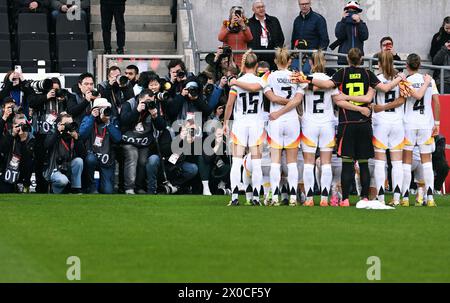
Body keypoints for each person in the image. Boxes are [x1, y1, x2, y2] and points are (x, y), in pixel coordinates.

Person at [297, 48, 406, 206]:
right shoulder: (368, 74)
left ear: (348, 59)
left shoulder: (342, 73)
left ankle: (346, 199)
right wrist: (400, 77)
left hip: (346, 123)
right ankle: (366, 198)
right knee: (363, 163)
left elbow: (327, 85)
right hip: (364, 123)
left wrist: (307, 78)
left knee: (347, 163)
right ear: (361, 59)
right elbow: (385, 88)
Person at [223, 49, 268, 206]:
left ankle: (235, 196)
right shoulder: (261, 81)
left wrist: (224, 123)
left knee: (236, 161)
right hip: (256, 123)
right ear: (256, 65)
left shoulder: (237, 83)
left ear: (244, 64)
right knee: (256, 162)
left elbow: (229, 105)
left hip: (240, 124)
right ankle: (256, 197)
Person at [263, 47, 303, 206]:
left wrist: (280, 110)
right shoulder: (297, 76)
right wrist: (292, 103)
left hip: (276, 120)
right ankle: (293, 197)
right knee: (292, 162)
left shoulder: (269, 76)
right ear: (290, 61)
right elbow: (298, 100)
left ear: (275, 61)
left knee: (275, 161)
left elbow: (271, 97)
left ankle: (274, 197)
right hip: (292, 120)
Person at [401, 54, 440, 207]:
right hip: (425, 124)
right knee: (427, 161)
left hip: (409, 124)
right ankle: (429, 198)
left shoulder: (404, 81)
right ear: (419, 65)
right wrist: (437, 123)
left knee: (406, 161)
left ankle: (404, 197)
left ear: (407, 65)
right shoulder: (429, 80)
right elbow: (436, 101)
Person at [370, 51, 407, 206]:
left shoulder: (375, 78)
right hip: (397, 122)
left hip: (380, 123)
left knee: (380, 161)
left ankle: (380, 198)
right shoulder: (401, 79)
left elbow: (370, 102)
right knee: (397, 162)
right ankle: (397, 198)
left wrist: (381, 107)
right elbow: (402, 100)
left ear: (379, 63)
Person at [120, 89, 167, 194]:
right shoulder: (129, 104)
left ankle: (139, 187)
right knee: (133, 156)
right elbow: (123, 121)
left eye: (151, 101)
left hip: (144, 141)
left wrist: (155, 116)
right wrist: (137, 111)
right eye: (146, 101)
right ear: (140, 99)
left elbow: (161, 127)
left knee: (143, 161)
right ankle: (129, 188)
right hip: (129, 141)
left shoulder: (154, 106)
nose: (148, 103)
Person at [29, 77, 71, 193]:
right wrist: (46, 96)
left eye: (57, 89)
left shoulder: (62, 98)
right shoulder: (40, 96)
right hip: (41, 134)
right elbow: (31, 102)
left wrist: (64, 99)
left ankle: (60, 188)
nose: (55, 92)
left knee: (59, 161)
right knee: (40, 162)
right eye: (53, 89)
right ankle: (40, 189)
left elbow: (70, 108)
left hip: (58, 134)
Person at [79, 98, 122, 194]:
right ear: (96, 109)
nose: (104, 111)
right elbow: (82, 135)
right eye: (102, 109)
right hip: (92, 156)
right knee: (90, 159)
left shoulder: (112, 120)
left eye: (106, 108)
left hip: (106, 159)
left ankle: (101, 186)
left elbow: (118, 139)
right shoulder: (88, 118)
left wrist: (108, 123)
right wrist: (92, 117)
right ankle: (91, 186)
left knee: (108, 191)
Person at [44, 113, 85, 194]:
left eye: (71, 123)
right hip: (54, 169)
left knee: (79, 161)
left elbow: (83, 155)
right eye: (67, 124)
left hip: (68, 168)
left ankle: (75, 189)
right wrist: (57, 132)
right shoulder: (53, 132)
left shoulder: (73, 135)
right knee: (63, 181)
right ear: (60, 124)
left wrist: (77, 139)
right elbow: (46, 145)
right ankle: (54, 190)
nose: (69, 126)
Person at [0, 111, 34, 193]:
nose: (22, 127)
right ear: (14, 126)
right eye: (19, 125)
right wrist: (13, 134)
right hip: (8, 170)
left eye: (23, 124)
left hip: (22, 172)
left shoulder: (30, 137)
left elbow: (27, 159)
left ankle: (25, 185)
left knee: (30, 162)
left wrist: (23, 140)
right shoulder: (8, 135)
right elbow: (3, 149)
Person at [247, 0, 284, 70]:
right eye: (258, 7)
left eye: (262, 6)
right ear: (253, 10)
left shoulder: (274, 20)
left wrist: (277, 52)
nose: (261, 9)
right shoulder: (249, 23)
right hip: (257, 56)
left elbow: (281, 37)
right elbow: (248, 40)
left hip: (273, 56)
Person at [333, 1, 369, 65]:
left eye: (354, 12)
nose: (351, 14)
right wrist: (343, 20)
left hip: (358, 58)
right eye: (349, 11)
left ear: (358, 13)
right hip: (344, 59)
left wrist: (359, 22)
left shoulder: (361, 24)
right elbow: (339, 36)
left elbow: (365, 37)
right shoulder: (341, 23)